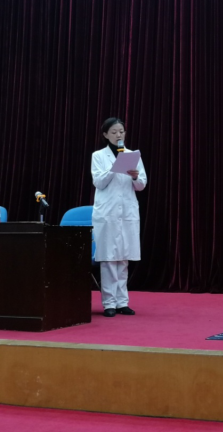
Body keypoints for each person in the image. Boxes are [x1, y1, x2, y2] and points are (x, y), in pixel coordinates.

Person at [92, 118, 147, 318]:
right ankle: (109, 303)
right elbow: (98, 182)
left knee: (123, 258)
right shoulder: (98, 156)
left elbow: (141, 184)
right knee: (108, 259)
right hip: (107, 213)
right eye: (114, 132)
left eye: (121, 131)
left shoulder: (132, 155)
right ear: (106, 135)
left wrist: (134, 176)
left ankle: (122, 302)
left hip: (127, 213)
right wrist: (114, 167)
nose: (118, 135)